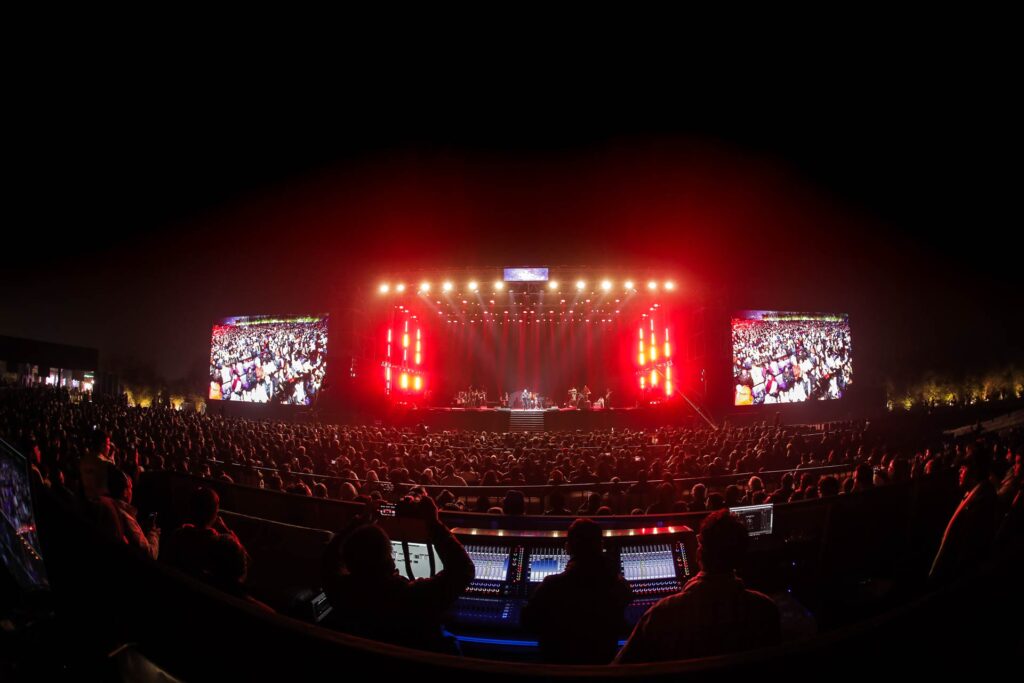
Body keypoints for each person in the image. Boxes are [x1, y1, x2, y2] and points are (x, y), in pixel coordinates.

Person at [615, 510, 780, 663]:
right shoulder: (766, 609)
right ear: (741, 557)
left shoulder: (660, 613)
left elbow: (619, 669)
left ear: (699, 552)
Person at [322, 495, 474, 653]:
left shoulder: (340, 591)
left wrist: (359, 522)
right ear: (390, 558)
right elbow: (463, 569)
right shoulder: (413, 597)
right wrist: (433, 522)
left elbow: (328, 558)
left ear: (348, 561)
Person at [522, 519, 632, 664]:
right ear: (601, 546)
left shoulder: (551, 585)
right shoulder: (619, 585)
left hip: (557, 667)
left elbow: (527, 622)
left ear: (568, 547)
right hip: (602, 666)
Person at [929, 448, 999, 584]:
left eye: (964, 467)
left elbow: (967, 546)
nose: (959, 471)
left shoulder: (980, 500)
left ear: (975, 470)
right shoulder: (976, 494)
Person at [102, 467, 160, 560]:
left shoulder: (108, 506)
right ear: (125, 492)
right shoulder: (125, 517)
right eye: (131, 488)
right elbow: (150, 554)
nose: (131, 492)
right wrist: (153, 533)